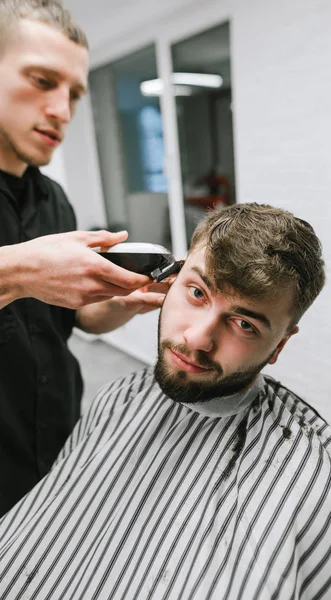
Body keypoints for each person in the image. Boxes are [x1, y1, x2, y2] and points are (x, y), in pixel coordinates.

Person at [0, 203, 331, 600]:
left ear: (280, 344)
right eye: (197, 292)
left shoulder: (313, 488)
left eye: (244, 324)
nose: (196, 339)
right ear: (169, 282)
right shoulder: (119, 398)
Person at [0, 0, 169, 516]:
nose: (62, 110)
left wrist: (122, 299)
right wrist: (20, 271)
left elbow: (72, 321)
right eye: (42, 80)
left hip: (57, 448)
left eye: (73, 94)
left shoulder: (55, 201)